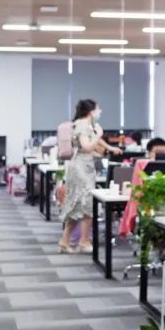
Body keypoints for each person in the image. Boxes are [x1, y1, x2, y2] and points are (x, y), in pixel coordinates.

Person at [58, 98, 121, 253]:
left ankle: (66, 241)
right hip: (80, 168)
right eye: (98, 109)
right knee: (86, 205)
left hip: (83, 166)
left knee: (78, 205)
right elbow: (86, 146)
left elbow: (93, 139)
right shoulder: (82, 125)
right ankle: (83, 241)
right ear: (91, 111)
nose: (100, 112)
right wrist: (99, 135)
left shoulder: (87, 125)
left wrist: (110, 147)